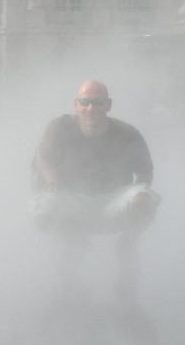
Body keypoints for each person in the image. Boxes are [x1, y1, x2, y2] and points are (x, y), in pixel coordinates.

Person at [31, 80, 160, 302]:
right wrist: (52, 179)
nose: (91, 108)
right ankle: (70, 259)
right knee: (43, 213)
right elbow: (42, 156)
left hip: (112, 200)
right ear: (76, 105)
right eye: (85, 102)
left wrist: (137, 193)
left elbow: (146, 172)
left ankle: (127, 243)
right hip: (72, 198)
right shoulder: (60, 128)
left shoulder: (127, 134)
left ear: (108, 105)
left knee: (144, 199)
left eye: (98, 102)